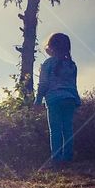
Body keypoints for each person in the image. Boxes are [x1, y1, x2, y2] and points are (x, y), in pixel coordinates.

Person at [35, 32, 81, 164]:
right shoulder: (72, 65)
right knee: (68, 128)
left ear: (51, 47)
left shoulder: (48, 63)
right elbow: (73, 85)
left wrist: (38, 100)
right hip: (70, 99)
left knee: (55, 129)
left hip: (54, 100)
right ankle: (68, 157)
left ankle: (56, 159)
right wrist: (76, 100)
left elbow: (43, 84)